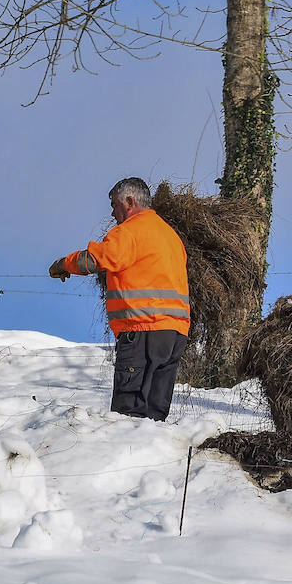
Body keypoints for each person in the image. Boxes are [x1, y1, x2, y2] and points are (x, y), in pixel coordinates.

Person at [49, 178, 190, 421]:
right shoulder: (170, 235)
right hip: (174, 335)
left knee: (128, 416)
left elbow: (95, 259)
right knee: (154, 416)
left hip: (142, 330)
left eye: (114, 205)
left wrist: (63, 264)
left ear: (130, 201)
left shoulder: (130, 232)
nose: (112, 212)